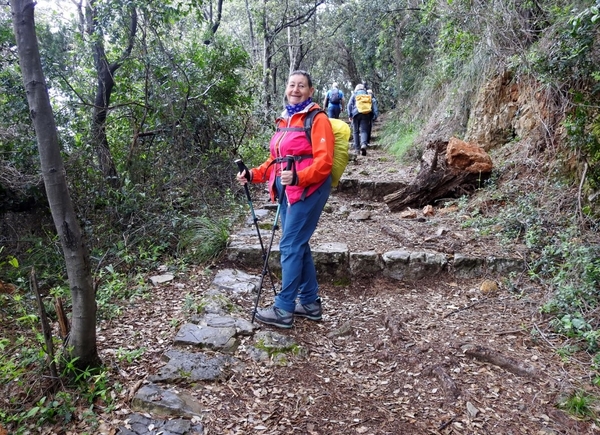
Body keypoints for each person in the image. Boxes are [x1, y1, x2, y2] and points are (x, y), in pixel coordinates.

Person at [236, 70, 335, 329]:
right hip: (290, 191)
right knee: (298, 244)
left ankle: (284, 309)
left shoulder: (317, 118)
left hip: (309, 189)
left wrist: (299, 178)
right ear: (286, 89)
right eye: (292, 85)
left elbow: (324, 162)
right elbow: (275, 161)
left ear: (311, 90)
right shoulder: (285, 119)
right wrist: (253, 174)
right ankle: (310, 303)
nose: (295, 89)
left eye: (301, 86)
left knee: (290, 245)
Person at [347, 83, 371, 156]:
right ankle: (363, 144)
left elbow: (349, 105)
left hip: (356, 114)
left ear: (356, 89)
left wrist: (350, 115)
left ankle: (357, 149)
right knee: (364, 130)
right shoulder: (367, 95)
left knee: (356, 131)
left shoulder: (354, 94)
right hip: (365, 113)